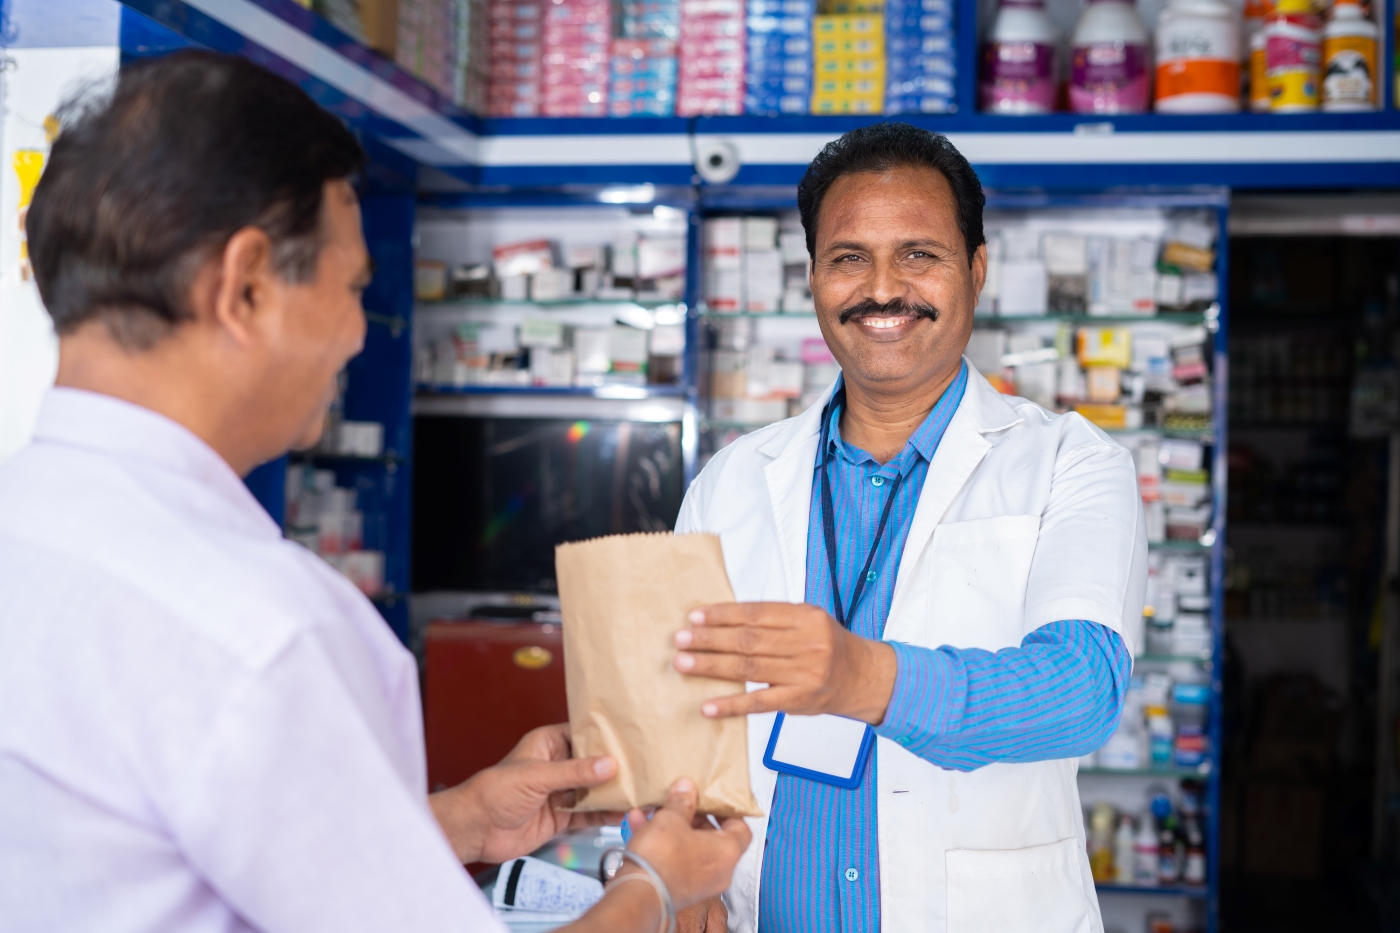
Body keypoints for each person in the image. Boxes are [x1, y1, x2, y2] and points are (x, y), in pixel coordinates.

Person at [0, 50, 749, 932]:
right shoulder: (265, 629)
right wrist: (655, 885)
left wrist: (460, 817)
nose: (359, 332)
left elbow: (163, 852)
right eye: (353, 285)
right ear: (244, 286)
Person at [670, 123, 1148, 933]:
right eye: (848, 256)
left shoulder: (1070, 461)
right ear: (814, 276)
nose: (882, 288)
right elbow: (675, 711)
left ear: (977, 268)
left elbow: (1082, 689)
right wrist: (685, 886)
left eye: (919, 253)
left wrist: (861, 677)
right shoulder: (734, 479)